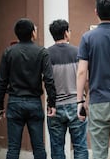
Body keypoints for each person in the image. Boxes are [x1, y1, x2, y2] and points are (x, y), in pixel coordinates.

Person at [76, 0, 110, 159]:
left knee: (99, 153)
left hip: (98, 101)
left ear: (96, 12)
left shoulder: (87, 38)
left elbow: (82, 72)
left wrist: (80, 100)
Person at [0, 18, 57, 159]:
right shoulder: (42, 52)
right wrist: (52, 103)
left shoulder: (8, 52)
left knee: (13, 148)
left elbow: (1, 81)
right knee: (39, 147)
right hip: (34, 102)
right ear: (32, 33)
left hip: (14, 102)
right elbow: (49, 80)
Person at [47, 19, 88, 159]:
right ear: (66, 33)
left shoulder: (46, 55)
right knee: (80, 146)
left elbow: (45, 80)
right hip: (76, 104)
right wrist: (85, 99)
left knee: (57, 148)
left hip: (55, 106)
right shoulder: (79, 52)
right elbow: (85, 78)